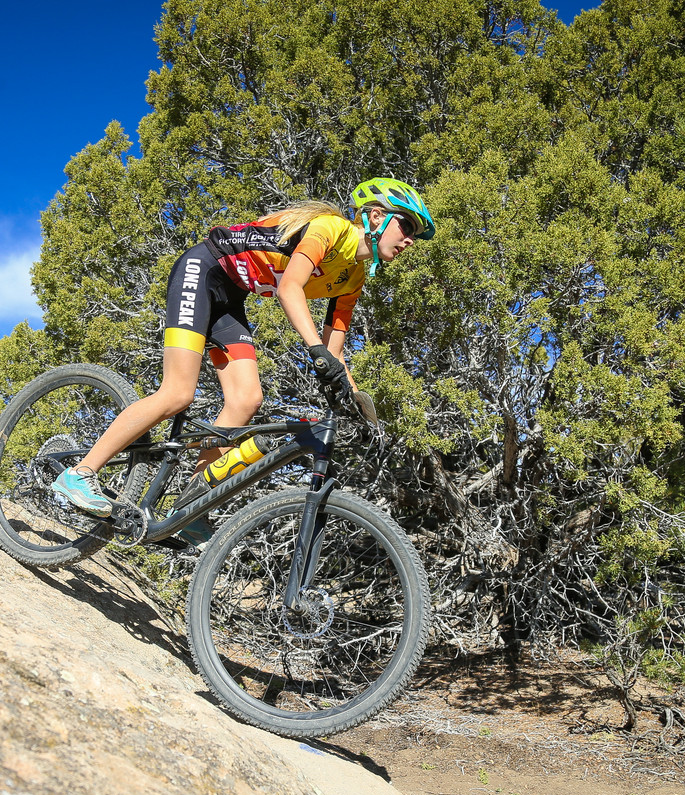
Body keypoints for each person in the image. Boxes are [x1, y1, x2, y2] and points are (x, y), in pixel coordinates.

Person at [50, 177, 434, 538]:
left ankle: (189, 509)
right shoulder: (330, 228)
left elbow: (335, 349)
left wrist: (356, 405)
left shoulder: (354, 276)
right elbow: (290, 288)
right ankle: (80, 473)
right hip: (203, 270)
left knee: (247, 400)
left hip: (231, 297)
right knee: (178, 393)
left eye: (414, 234)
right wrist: (314, 349)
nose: (410, 240)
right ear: (376, 216)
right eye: (407, 226)